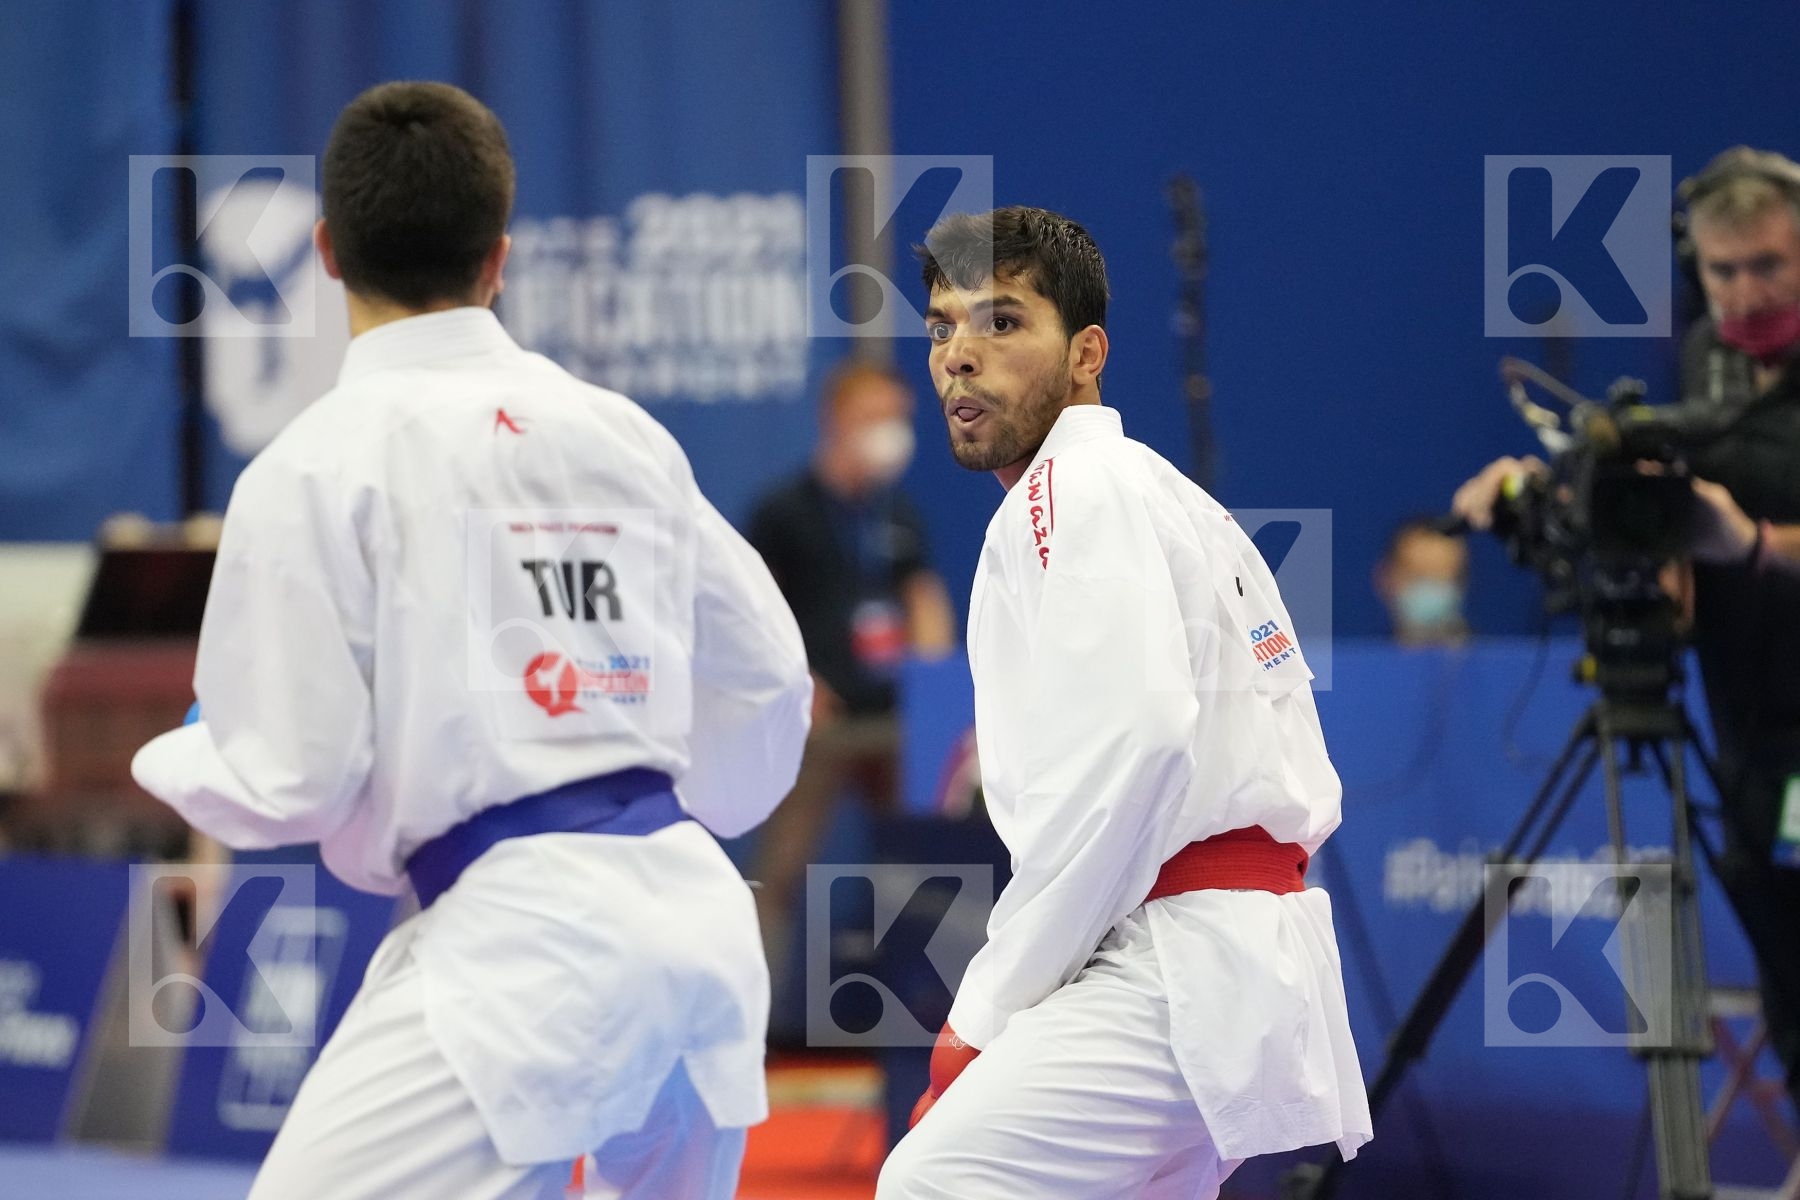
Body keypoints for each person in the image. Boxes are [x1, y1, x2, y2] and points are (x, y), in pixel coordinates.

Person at [130, 81, 811, 1200]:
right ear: (501, 258)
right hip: (692, 917)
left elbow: (290, 777)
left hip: (523, 950)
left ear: (327, 253)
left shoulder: (313, 464)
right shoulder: (624, 435)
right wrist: (681, 809)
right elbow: (773, 675)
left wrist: (179, 752)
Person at [876, 206, 1371, 1198]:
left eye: (1002, 322)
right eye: (941, 328)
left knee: (933, 1184)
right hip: (1230, 953)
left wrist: (986, 1010)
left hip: (1182, 964)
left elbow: (1136, 752)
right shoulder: (1157, 490)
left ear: (1087, 353)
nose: (960, 357)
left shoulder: (1074, 489)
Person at [1452, 145, 1800, 1115]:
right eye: (1723, 271)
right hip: (1744, 721)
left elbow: (1748, 524)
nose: (1744, 292)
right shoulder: (1705, 362)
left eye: (1769, 264)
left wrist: (1757, 542)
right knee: (1785, 970)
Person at [744, 360, 955, 1007]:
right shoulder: (783, 513)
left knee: (925, 868)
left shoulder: (898, 514)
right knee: (780, 874)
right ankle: (748, 1026)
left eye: (900, 419)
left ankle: (927, 1022)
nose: (891, 433)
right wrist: (796, 682)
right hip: (820, 723)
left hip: (892, 721)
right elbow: (753, 610)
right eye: (876, 418)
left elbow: (924, 601)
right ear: (837, 419)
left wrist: (938, 687)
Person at [1373, 516, 1471, 646]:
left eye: (1442, 576)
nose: (1430, 588)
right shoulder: (1363, 662)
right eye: (1418, 576)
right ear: (1385, 578)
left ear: (1462, 582)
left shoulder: (1497, 661)